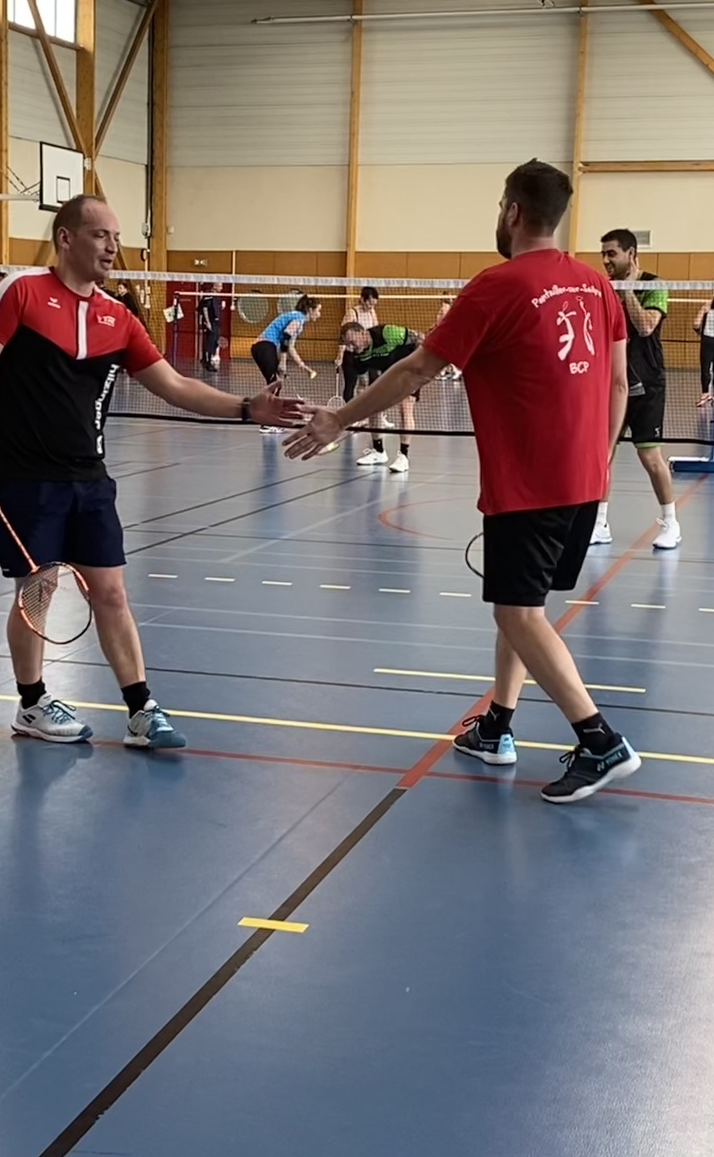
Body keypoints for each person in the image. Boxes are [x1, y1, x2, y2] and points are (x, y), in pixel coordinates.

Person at [285, 160, 641, 805]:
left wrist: (339, 417)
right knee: (522, 605)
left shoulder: (495, 286)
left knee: (516, 610)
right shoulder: (597, 284)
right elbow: (618, 384)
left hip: (530, 482)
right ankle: (497, 726)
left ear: (512, 211)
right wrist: (600, 459)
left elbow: (415, 370)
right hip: (588, 477)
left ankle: (600, 741)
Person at [0, 193, 307, 749]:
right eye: (101, 235)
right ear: (66, 238)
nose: (112, 248)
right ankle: (31, 703)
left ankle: (142, 709)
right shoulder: (21, 292)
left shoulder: (118, 318)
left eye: (116, 238)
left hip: (89, 478)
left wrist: (246, 409)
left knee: (112, 592)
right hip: (25, 476)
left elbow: (174, 385)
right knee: (37, 591)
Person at [596, 228, 680, 551]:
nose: (606, 260)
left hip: (647, 384)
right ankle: (599, 523)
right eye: (603, 254)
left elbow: (645, 326)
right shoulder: (603, 288)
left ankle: (671, 523)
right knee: (602, 456)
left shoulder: (654, 285)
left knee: (650, 457)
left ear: (630, 254)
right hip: (612, 384)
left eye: (612, 254)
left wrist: (627, 290)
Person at [340, 321, 422, 473]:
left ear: (362, 333)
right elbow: (359, 373)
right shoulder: (359, 354)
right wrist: (350, 356)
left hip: (410, 371)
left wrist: (419, 365)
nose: (351, 346)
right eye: (347, 344)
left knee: (405, 408)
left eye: (352, 341)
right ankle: (378, 452)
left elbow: (419, 338)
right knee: (374, 406)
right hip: (389, 373)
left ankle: (403, 456)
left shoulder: (386, 333)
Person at [250, 295, 319, 412]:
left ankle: (270, 414)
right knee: (274, 384)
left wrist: (302, 365)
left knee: (276, 383)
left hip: (262, 348)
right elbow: (286, 338)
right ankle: (266, 415)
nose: (319, 314)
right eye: (318, 310)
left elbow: (290, 347)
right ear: (310, 310)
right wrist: (282, 362)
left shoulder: (296, 318)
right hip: (265, 347)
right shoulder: (298, 318)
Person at [337, 286, 380, 402]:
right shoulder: (352, 313)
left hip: (367, 353)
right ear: (362, 299)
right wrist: (340, 356)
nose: (371, 307)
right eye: (369, 303)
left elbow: (376, 331)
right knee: (351, 383)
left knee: (372, 380)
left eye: (373, 304)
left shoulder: (372, 312)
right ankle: (348, 410)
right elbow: (343, 336)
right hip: (351, 354)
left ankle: (365, 408)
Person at [198, 282, 223, 372]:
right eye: (220, 286)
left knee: (215, 342)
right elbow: (204, 309)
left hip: (216, 323)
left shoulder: (217, 297)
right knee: (210, 342)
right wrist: (208, 322)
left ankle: (208, 360)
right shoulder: (208, 296)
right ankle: (207, 362)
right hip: (210, 322)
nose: (221, 288)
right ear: (215, 286)